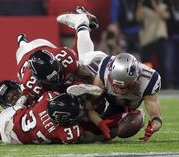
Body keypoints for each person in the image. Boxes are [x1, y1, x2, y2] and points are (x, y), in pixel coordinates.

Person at [57, 12, 162, 141]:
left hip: (122, 104)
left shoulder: (149, 80)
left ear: (136, 80)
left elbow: (156, 115)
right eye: (116, 84)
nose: (119, 89)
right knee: (83, 63)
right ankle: (81, 23)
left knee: (108, 134)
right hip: (97, 64)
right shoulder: (104, 72)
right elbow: (90, 106)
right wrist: (99, 122)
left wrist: (154, 126)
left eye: (124, 86)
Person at [16, 7, 101, 101]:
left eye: (56, 73)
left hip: (42, 45)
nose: (56, 78)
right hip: (23, 54)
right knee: (52, 100)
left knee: (86, 61)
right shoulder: (30, 87)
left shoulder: (63, 56)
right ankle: (22, 41)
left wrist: (94, 82)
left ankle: (81, 22)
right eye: (52, 78)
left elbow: (88, 76)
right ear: (39, 80)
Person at [0, 92, 86, 144]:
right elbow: (83, 136)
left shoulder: (47, 98)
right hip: (18, 134)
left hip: (16, 114)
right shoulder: (60, 131)